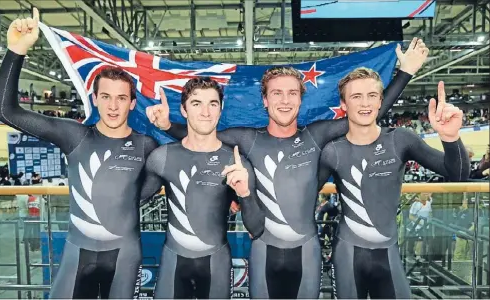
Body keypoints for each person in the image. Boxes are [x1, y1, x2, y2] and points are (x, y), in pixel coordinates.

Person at [146, 39, 428, 298]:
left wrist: (406, 72)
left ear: (301, 99)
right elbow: (202, 134)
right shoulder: (247, 139)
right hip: (263, 251)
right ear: (265, 101)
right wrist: (168, 126)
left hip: (307, 252)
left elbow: (366, 115)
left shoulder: (316, 136)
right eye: (277, 93)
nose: (284, 100)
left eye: (292, 93)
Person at [0, 8, 162, 299]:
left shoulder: (147, 146)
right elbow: (2, 109)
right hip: (77, 253)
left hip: (125, 256)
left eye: (122, 98)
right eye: (105, 97)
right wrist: (16, 51)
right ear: (95, 99)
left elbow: (184, 164)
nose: (113, 106)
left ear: (133, 103)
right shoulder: (76, 135)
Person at [317, 74, 470, 298]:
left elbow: (457, 174)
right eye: (356, 96)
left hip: (388, 254)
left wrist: (451, 137)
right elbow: (303, 195)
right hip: (348, 257)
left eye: (372, 95)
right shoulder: (332, 152)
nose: (365, 103)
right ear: (343, 104)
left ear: (381, 101)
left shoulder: (400, 140)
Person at [145, 78, 264, 299]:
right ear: (183, 109)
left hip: (216, 263)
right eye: (196, 103)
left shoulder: (236, 161)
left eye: (213, 103)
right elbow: (131, 200)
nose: (206, 112)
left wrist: (245, 193)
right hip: (174, 263)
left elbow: (256, 229)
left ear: (221, 109)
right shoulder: (161, 157)